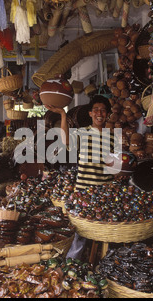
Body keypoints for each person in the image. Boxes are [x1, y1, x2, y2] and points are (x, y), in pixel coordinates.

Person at [45, 95, 116, 259]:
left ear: (108, 115)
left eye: (103, 110)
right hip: (84, 191)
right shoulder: (82, 133)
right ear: (90, 114)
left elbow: (116, 165)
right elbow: (65, 141)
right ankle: (71, 265)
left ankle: (106, 265)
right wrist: (63, 114)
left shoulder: (113, 136)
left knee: (107, 231)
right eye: (96, 110)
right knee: (80, 234)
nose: (100, 113)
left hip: (105, 193)